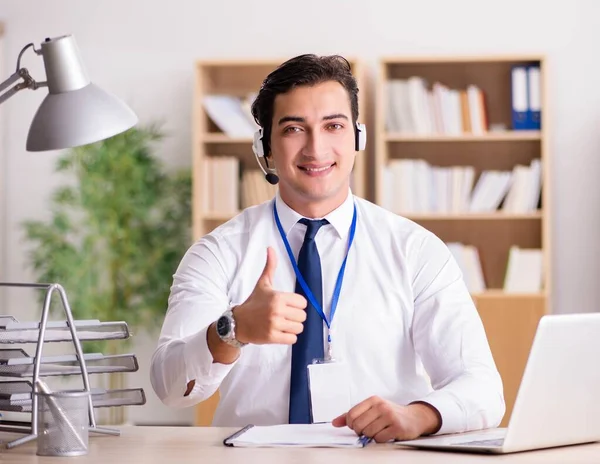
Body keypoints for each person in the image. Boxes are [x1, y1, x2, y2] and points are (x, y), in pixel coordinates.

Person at [150, 54, 505, 442]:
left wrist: (420, 415)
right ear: (264, 147)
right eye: (293, 129)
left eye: (333, 126)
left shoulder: (416, 250)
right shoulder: (218, 252)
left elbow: (483, 388)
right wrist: (232, 330)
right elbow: (170, 388)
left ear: (357, 137)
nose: (316, 149)